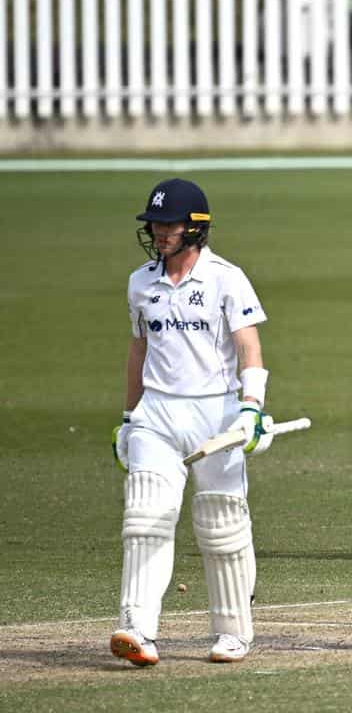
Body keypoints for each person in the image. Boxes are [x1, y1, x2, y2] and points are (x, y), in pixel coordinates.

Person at [110, 178, 273, 665]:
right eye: (155, 224)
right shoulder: (141, 282)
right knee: (146, 518)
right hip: (157, 413)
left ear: (195, 228)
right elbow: (138, 351)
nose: (159, 233)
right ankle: (137, 629)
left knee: (220, 524)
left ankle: (232, 633)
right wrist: (127, 417)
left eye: (169, 224)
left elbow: (249, 346)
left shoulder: (226, 277)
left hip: (215, 412)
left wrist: (252, 408)